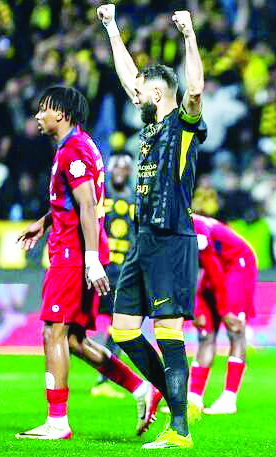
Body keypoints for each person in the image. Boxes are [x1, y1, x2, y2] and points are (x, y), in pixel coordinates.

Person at [15, 86, 161, 440]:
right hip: (75, 251)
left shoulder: (74, 150)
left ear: (61, 114)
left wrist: (91, 260)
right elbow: (72, 202)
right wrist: (45, 222)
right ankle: (141, 389)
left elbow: (87, 207)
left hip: (72, 255)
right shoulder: (78, 146)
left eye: (43, 109)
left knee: (53, 332)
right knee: (74, 340)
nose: (38, 116)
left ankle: (57, 421)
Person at [97, 4, 206, 450]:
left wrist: (189, 35)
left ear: (157, 94)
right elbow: (129, 78)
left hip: (171, 239)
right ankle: (173, 396)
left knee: (167, 331)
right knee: (123, 330)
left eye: (140, 92)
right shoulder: (150, 127)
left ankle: (179, 429)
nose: (133, 95)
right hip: (144, 241)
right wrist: (111, 28)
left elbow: (194, 89)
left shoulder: (181, 125)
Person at [184, 214, 257, 414]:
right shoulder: (174, 227)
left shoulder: (197, 229)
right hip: (213, 269)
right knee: (205, 332)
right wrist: (196, 309)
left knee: (235, 330)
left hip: (237, 265)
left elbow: (213, 269)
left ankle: (229, 399)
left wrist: (224, 311)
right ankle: (194, 398)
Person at [91, 153, 135, 399]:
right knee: (75, 323)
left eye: (125, 167)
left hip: (123, 273)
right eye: (117, 166)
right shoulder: (99, 196)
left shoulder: (136, 199)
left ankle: (103, 380)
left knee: (119, 324)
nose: (121, 170)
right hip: (98, 269)